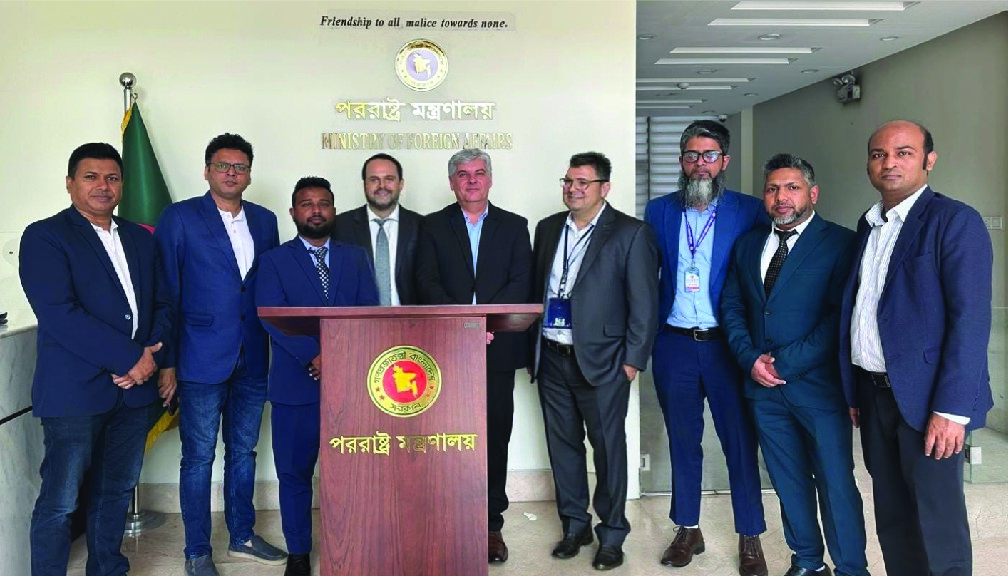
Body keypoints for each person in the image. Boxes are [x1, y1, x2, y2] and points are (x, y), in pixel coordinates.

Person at [839, 120, 994, 576]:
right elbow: (862, 309)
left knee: (937, 521)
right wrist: (854, 390)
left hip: (929, 402)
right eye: (879, 154)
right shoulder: (868, 225)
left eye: (903, 153)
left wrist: (952, 410)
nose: (889, 163)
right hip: (873, 396)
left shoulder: (954, 221)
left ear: (929, 160)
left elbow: (970, 321)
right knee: (893, 517)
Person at [20, 142, 173, 576]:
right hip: (75, 393)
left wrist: (149, 356)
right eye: (91, 177)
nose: (103, 186)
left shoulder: (140, 238)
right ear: (70, 183)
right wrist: (129, 358)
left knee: (115, 491)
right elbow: (59, 313)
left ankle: (108, 569)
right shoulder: (46, 236)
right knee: (61, 500)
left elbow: (163, 303)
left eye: (112, 177)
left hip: (134, 394)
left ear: (122, 184)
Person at [721, 153, 867, 576]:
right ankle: (807, 560)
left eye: (792, 188)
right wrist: (750, 359)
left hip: (818, 389)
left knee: (835, 482)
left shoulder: (840, 243)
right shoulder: (748, 244)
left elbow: (839, 317)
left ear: (812, 193)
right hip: (763, 390)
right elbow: (732, 306)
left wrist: (783, 364)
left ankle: (851, 568)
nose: (781, 197)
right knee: (787, 480)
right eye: (772, 189)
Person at [643, 119, 768, 575]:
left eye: (709, 155)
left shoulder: (750, 211)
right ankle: (687, 528)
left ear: (724, 161)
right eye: (692, 155)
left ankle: (750, 535)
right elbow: (647, 276)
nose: (701, 164)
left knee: (739, 441)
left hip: (727, 347)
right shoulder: (658, 210)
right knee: (683, 440)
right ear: (681, 161)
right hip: (674, 343)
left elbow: (760, 280)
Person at [155, 133, 283, 576]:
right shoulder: (179, 217)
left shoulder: (265, 220)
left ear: (249, 174)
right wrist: (168, 361)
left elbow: (267, 288)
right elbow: (167, 291)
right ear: (207, 170)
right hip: (199, 357)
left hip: (253, 355)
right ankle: (196, 551)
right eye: (223, 166)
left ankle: (242, 535)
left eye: (240, 166)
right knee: (198, 458)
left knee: (244, 452)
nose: (232, 173)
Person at [531, 151, 658, 571]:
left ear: (605, 187)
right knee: (563, 446)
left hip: (605, 362)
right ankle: (574, 526)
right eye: (568, 181)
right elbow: (538, 291)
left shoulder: (630, 233)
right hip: (552, 356)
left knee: (608, 449)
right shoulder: (549, 229)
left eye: (583, 182)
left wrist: (633, 361)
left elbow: (644, 303)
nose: (573, 189)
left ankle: (612, 533)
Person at [415, 148, 533, 564]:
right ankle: (450, 520)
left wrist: (485, 324)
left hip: (497, 349)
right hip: (446, 349)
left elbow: (521, 282)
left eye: (478, 173)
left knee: (494, 436)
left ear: (490, 179)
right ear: (451, 183)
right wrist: (464, 325)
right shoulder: (432, 226)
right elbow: (426, 281)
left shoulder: (515, 226)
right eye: (462, 175)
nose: (471, 181)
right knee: (448, 437)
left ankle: (490, 525)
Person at [256, 177, 379, 576]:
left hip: (351, 386)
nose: (315, 210)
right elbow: (271, 317)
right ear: (294, 212)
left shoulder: (355, 257)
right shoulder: (274, 261)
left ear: (333, 210)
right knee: (294, 475)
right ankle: (298, 554)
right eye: (307, 204)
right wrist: (314, 354)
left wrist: (338, 356)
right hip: (295, 388)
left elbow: (368, 312)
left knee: (353, 473)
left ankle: (353, 547)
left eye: (323, 203)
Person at [332, 153, 421, 305]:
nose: (382, 186)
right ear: (364, 185)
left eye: (389, 179)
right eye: (374, 180)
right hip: (358, 317)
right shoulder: (340, 226)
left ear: (401, 184)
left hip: (410, 317)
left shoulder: (421, 226)